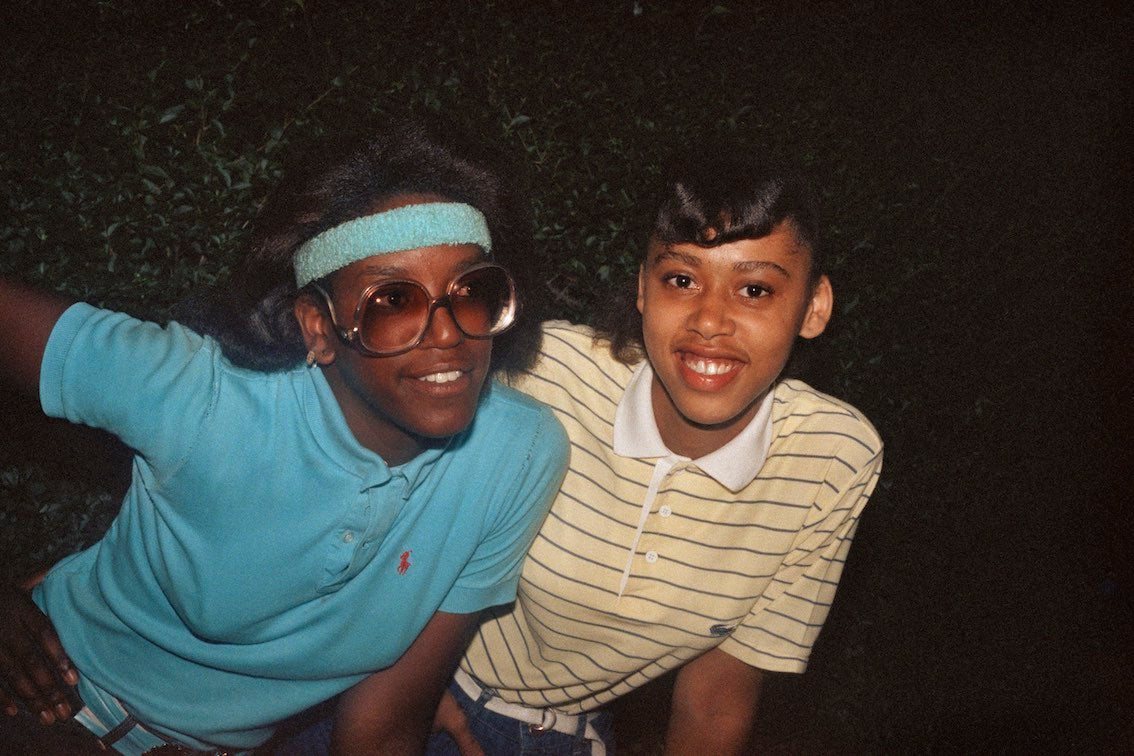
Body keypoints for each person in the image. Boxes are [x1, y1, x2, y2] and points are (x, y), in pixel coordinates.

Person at [0, 120, 568, 754]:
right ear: (317, 326)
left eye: (472, 292)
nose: (446, 333)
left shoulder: (517, 455)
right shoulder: (206, 396)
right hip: (46, 704)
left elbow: (383, 724)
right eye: (392, 301)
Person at [427, 150, 885, 755]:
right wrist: (397, 679)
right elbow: (387, 502)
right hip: (405, 683)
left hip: (558, 738)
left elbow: (717, 695)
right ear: (643, 288)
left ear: (814, 307)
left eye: (754, 289)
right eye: (682, 280)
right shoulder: (539, 371)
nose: (711, 320)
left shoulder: (833, 460)